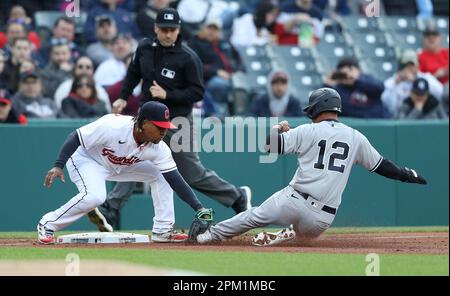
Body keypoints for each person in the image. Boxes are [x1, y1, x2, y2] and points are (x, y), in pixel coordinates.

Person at [194, 87, 427, 246]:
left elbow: (269, 146)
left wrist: (278, 128)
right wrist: (409, 175)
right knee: (303, 240)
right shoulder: (355, 137)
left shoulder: (308, 130)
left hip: (294, 200)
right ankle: (288, 235)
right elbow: (382, 166)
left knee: (253, 217)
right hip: (322, 219)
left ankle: (208, 236)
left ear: (317, 108)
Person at [90, 8, 252, 230]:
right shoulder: (145, 47)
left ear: (178, 31)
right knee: (132, 158)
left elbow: (197, 92)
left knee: (192, 174)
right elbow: (134, 73)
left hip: (177, 121)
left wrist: (168, 95)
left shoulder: (188, 57)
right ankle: (111, 207)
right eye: (164, 29)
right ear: (156, 28)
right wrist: (123, 97)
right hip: (146, 120)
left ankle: (237, 197)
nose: (167, 34)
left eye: (172, 30)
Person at [37, 101, 213, 244]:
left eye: (165, 127)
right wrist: (58, 165)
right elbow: (75, 137)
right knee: (95, 197)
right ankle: (47, 224)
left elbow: (175, 180)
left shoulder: (159, 148)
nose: (163, 131)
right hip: (87, 160)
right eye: (159, 127)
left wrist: (199, 207)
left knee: (160, 174)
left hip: (118, 165)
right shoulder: (113, 126)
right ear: (144, 123)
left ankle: (163, 230)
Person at [382, 49, 443, 118]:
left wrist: (416, 81)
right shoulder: (393, 81)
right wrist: (395, 83)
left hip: (425, 115)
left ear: (417, 66)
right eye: (406, 65)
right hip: (401, 116)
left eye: (412, 65)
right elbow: (388, 106)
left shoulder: (425, 77)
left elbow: (440, 93)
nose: (409, 68)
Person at [324, 57, 388, 118]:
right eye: (344, 74)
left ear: (358, 70)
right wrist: (328, 86)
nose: (348, 76)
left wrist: (356, 81)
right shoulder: (339, 89)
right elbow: (332, 106)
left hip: (378, 120)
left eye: (351, 70)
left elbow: (379, 88)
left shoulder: (367, 79)